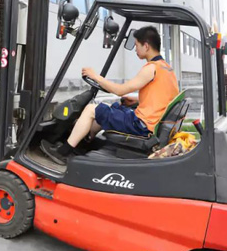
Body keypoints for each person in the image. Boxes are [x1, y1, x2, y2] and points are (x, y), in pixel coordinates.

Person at [40, 25, 179, 165]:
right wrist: (136, 99)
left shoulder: (151, 68)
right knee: (108, 108)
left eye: (137, 45)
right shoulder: (167, 69)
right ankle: (84, 143)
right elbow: (164, 97)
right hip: (149, 124)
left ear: (146, 46)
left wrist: (95, 76)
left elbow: (120, 90)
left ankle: (62, 152)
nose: (135, 49)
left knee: (90, 110)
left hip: (141, 126)